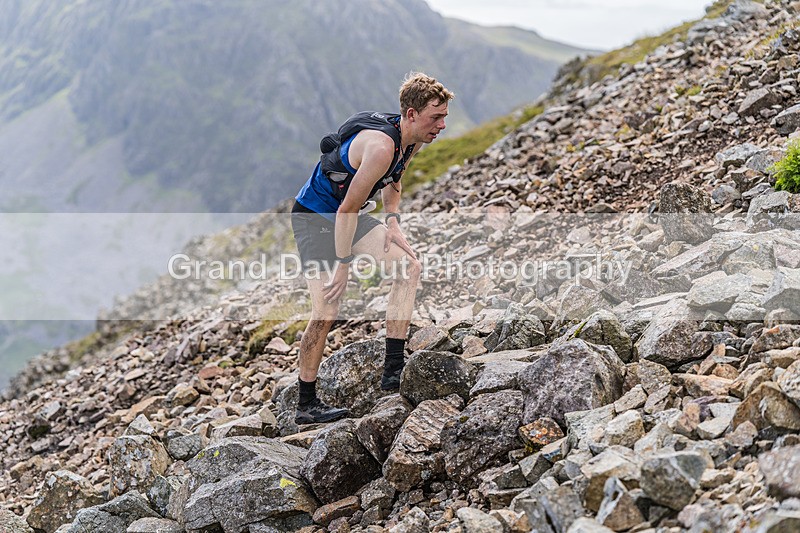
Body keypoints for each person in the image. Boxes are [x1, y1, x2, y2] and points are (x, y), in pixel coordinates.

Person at [290, 72, 454, 424]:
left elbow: (395, 180)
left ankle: (393, 370)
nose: (441, 125)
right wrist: (344, 264)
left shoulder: (412, 139)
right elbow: (346, 209)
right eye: (435, 118)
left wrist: (393, 222)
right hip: (316, 217)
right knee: (326, 309)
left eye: (443, 117)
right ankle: (306, 404)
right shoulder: (381, 147)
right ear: (410, 114)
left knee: (408, 266)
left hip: (348, 215)